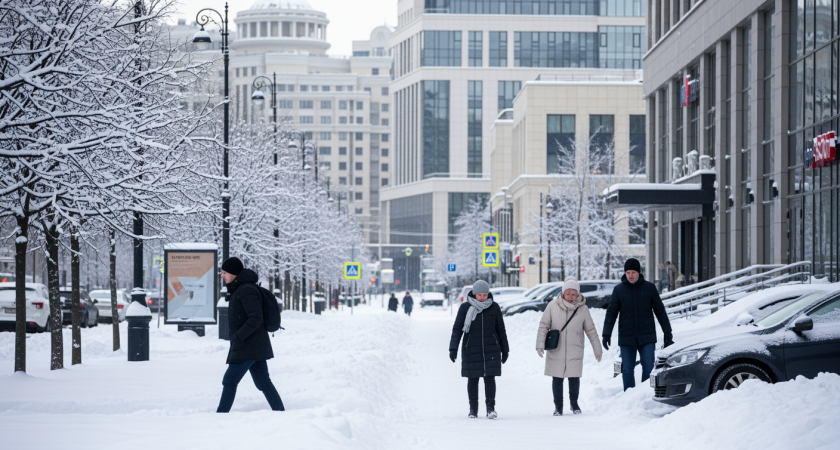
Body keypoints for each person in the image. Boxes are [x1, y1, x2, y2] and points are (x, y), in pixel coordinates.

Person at [217, 257, 285, 413]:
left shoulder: (246, 289)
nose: (222, 275)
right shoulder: (240, 288)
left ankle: (220, 416)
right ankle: (280, 411)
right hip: (254, 345)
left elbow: (256, 318)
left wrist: (238, 336)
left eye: (225, 272)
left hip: (248, 345)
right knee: (263, 382)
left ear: (234, 273)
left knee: (229, 381)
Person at [602, 258, 674, 391]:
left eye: (633, 272)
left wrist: (667, 332)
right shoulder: (619, 290)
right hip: (626, 336)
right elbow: (611, 313)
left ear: (638, 273)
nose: (630, 275)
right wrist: (606, 334)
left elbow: (660, 311)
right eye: (628, 272)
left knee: (648, 366)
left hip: (647, 336)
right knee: (628, 369)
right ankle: (629, 398)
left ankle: (645, 396)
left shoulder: (649, 288)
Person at [536, 278, 602, 415]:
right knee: (557, 378)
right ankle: (558, 407)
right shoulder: (552, 306)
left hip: (575, 347)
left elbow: (591, 330)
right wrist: (540, 344)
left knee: (574, 377)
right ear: (563, 293)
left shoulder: (583, 309)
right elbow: (544, 326)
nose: (571, 297)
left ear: (578, 294)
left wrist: (598, 349)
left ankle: (574, 404)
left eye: (574, 294)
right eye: (568, 293)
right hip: (557, 348)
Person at [448, 280, 509, 419]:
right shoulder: (465, 308)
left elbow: (501, 330)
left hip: (491, 349)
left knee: (490, 379)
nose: (482, 297)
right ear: (474, 294)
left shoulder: (494, 308)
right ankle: (473, 409)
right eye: (480, 295)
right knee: (473, 380)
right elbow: (457, 329)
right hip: (471, 349)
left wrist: (505, 350)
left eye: (485, 294)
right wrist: (453, 348)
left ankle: (490, 408)